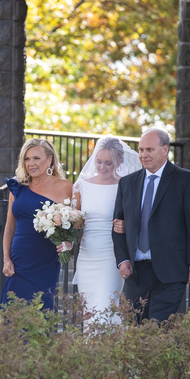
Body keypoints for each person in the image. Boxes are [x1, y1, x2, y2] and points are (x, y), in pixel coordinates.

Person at [111, 128, 190, 323]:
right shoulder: (127, 183)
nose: (143, 155)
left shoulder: (186, 180)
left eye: (149, 150)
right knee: (136, 329)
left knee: (158, 326)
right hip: (136, 274)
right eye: (141, 150)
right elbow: (118, 226)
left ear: (165, 150)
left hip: (171, 271)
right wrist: (122, 260)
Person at [71, 136, 141, 328]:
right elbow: (74, 223)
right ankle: (92, 356)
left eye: (108, 163)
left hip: (112, 256)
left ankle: (108, 353)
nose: (102, 167)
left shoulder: (126, 185)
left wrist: (127, 226)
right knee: (90, 311)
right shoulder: (82, 185)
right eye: (99, 161)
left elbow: (137, 218)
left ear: (119, 162)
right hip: (87, 256)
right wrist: (67, 237)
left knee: (107, 307)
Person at [1, 138, 73, 310]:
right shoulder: (18, 187)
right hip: (17, 263)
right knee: (12, 314)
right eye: (27, 159)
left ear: (49, 160)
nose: (30, 163)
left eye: (36, 158)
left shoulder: (66, 187)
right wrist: (6, 259)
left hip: (44, 261)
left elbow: (76, 223)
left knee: (41, 309)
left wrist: (69, 243)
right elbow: (10, 227)